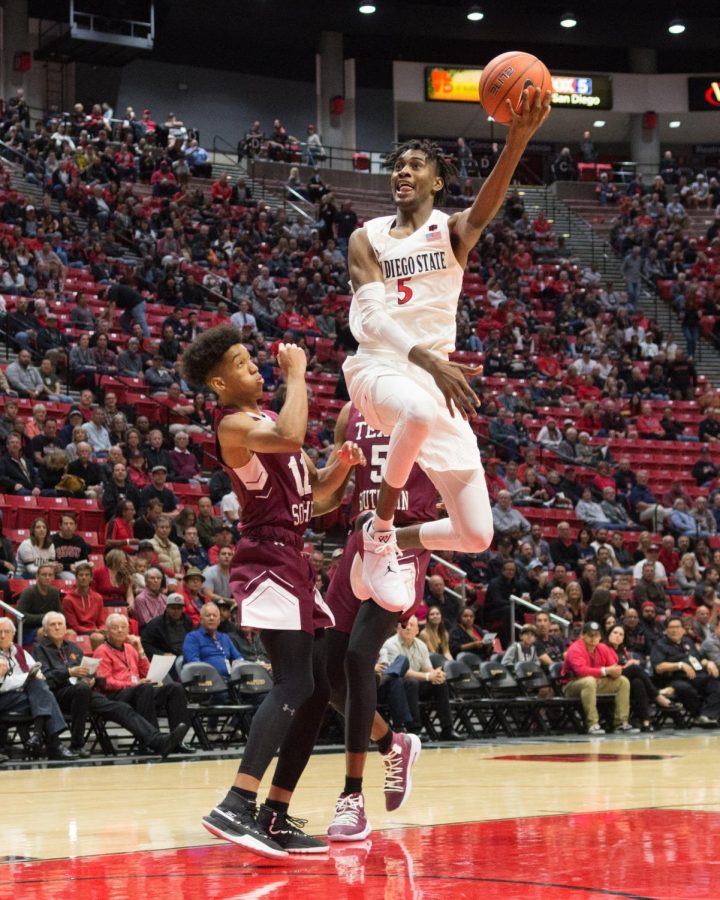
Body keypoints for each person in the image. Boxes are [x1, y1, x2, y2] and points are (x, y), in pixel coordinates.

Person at [342, 90, 550, 615]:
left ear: (436, 182)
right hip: (380, 368)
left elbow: (485, 207)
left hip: (433, 377)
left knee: (476, 533)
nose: (402, 172)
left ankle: (379, 538)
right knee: (416, 409)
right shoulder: (365, 238)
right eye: (397, 166)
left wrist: (518, 138)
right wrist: (429, 360)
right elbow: (370, 318)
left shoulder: (451, 231)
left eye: (416, 165)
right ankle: (385, 531)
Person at [180, 325, 365, 858]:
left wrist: (344, 468)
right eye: (241, 364)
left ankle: (275, 812)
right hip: (265, 557)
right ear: (218, 383)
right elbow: (291, 436)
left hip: (294, 555)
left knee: (314, 687)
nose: (253, 368)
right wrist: (297, 375)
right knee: (290, 683)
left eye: (250, 360)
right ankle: (236, 802)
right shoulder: (236, 425)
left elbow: (321, 499)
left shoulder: (265, 420)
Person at [322, 401, 438, 840]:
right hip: (361, 536)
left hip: (406, 538)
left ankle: (352, 797)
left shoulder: (433, 404)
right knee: (329, 674)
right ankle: (394, 744)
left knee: (357, 656)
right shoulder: (351, 412)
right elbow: (334, 491)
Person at [35, 611, 189, 757]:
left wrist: (91, 679)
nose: (57, 627)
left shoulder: (73, 647)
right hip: (59, 694)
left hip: (86, 691)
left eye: (60, 624)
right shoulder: (40, 650)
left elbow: (91, 672)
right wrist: (69, 672)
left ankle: (160, 742)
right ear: (45, 631)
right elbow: (46, 678)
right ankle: (77, 744)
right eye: (53, 625)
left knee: (124, 708)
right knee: (138, 690)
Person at [93, 613, 192, 746]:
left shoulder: (130, 648)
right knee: (144, 688)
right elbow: (106, 683)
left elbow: (147, 673)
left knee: (175, 688)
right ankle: (155, 742)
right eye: (115, 627)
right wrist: (133, 684)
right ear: (107, 632)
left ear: (128, 631)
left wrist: (140, 650)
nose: (120, 630)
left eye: (123, 627)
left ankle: (179, 741)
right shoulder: (101, 651)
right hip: (116, 696)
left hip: (141, 692)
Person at [0, 616, 77, 760]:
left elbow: (37, 671)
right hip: (5, 698)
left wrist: (32, 677)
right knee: (45, 696)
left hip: (24, 697)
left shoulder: (19, 651)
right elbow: (3, 685)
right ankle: (52, 743)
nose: (3, 636)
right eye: (0, 632)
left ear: (13, 634)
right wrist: (26, 678)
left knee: (40, 686)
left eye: (7, 632)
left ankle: (38, 736)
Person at [378, 616, 462, 741]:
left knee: (440, 684)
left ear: (417, 630)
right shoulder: (390, 644)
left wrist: (436, 674)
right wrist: (428, 676)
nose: (408, 627)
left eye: (412, 625)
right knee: (411, 682)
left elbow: (427, 669)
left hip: (416, 685)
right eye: (405, 625)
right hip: (398, 687)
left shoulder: (421, 645)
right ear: (398, 628)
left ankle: (447, 729)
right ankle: (414, 730)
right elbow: (398, 672)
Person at [560, 621, 638, 736]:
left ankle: (621, 723)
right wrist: (606, 671)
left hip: (594, 683)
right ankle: (592, 724)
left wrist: (616, 671)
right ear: (583, 635)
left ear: (600, 637)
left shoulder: (603, 648)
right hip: (572, 685)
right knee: (589, 681)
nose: (593, 638)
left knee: (623, 681)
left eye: (596, 635)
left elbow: (613, 667)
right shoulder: (575, 648)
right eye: (590, 635)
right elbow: (581, 671)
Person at [605, 623, 679, 732]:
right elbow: (610, 667)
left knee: (638, 682)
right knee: (635, 668)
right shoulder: (604, 648)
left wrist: (632, 663)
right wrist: (627, 666)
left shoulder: (623, 650)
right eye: (615, 633)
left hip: (625, 682)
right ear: (608, 635)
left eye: (621, 634)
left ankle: (646, 722)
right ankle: (658, 697)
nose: (618, 636)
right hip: (610, 679)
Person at [651, 616, 720, 726]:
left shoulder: (688, 641)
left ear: (683, 629)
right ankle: (698, 715)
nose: (674, 630)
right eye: (671, 627)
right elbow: (659, 667)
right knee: (685, 688)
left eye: (677, 627)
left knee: (716, 680)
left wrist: (708, 663)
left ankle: (707, 715)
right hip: (674, 679)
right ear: (666, 630)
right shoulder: (659, 645)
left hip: (696, 675)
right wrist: (679, 665)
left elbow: (699, 658)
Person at [182, 602, 243, 679]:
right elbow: (194, 663)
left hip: (230, 681)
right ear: (201, 620)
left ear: (219, 620)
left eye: (215, 616)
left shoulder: (225, 637)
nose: (211, 618)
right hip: (206, 681)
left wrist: (238, 662)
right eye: (208, 615)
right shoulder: (192, 637)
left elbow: (238, 657)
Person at [140, 593, 194, 658]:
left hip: (186, 655)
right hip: (167, 658)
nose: (176, 611)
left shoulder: (187, 620)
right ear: (167, 608)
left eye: (179, 608)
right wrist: (162, 654)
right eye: (173, 608)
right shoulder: (155, 624)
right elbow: (145, 644)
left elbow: (192, 639)